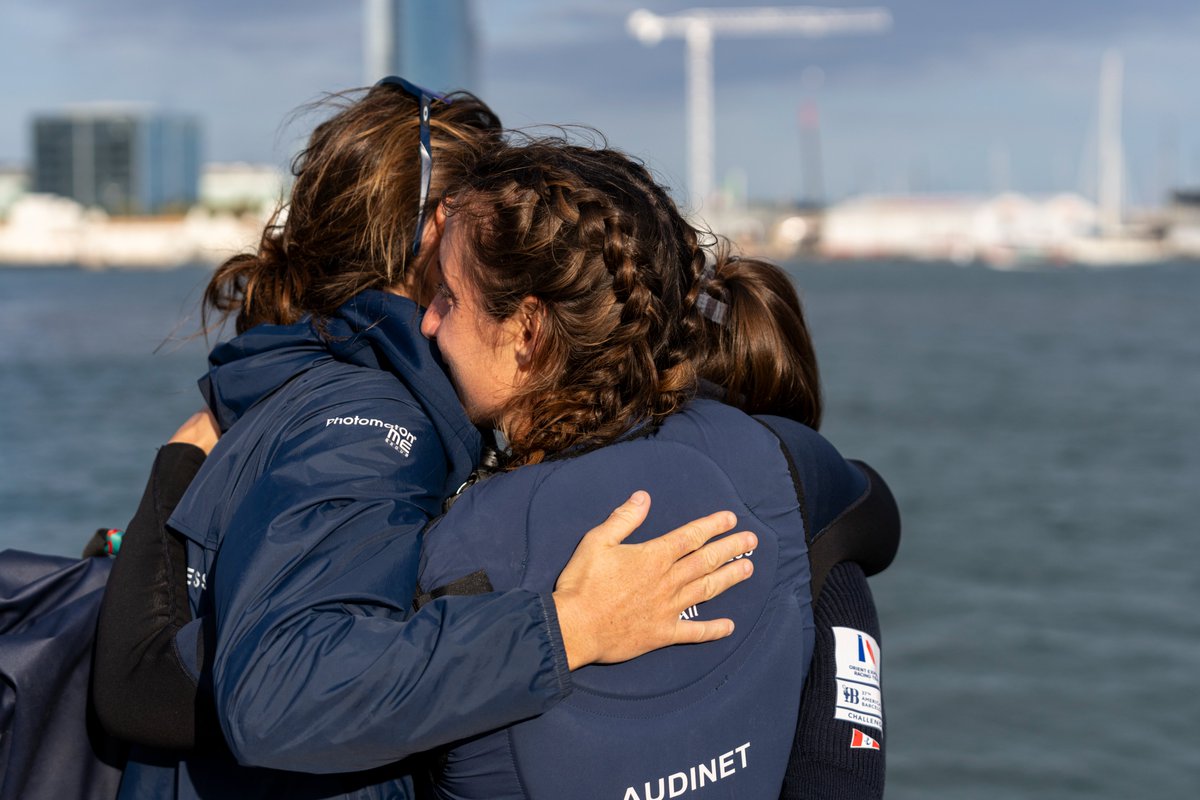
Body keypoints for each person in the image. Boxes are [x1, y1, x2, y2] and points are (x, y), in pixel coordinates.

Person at [89, 79, 756, 800]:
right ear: (440, 233)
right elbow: (277, 686)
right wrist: (567, 630)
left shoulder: (322, 385)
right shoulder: (379, 422)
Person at [410, 138, 897, 798]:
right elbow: (877, 518)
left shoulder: (456, 546)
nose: (428, 323)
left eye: (446, 296)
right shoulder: (777, 458)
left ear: (528, 333)